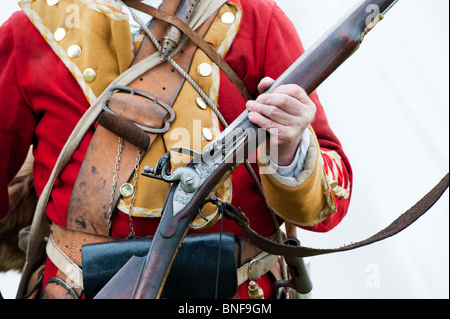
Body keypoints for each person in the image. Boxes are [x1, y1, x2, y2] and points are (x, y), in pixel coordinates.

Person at [0, 0, 352, 299]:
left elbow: (330, 203)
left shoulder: (256, 20)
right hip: (75, 288)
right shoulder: (33, 29)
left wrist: (289, 147)